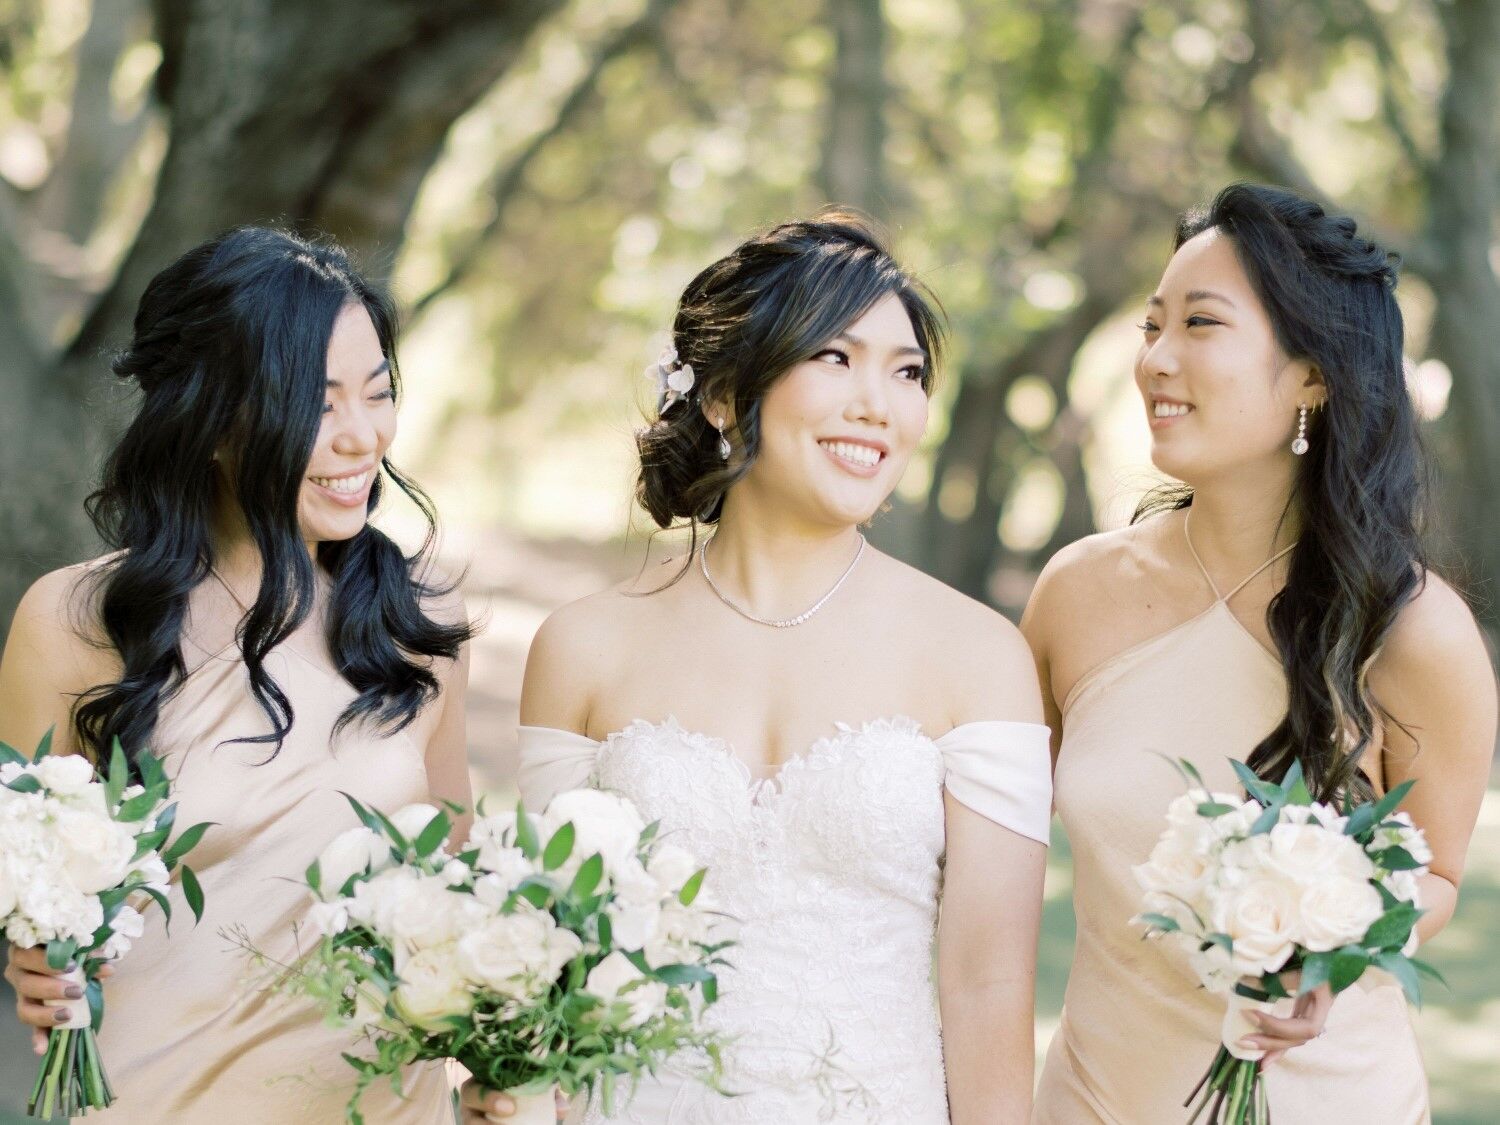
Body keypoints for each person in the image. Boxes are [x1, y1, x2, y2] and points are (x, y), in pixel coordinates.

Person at [514, 211, 1051, 1124]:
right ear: (724, 393)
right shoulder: (583, 648)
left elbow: (987, 983)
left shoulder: (976, 655)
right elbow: (540, 966)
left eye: (907, 372)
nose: (879, 403)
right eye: (836, 359)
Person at [1024, 183, 1496, 1123]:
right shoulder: (1076, 593)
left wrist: (1339, 949)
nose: (1157, 358)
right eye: (1152, 325)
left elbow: (1436, 875)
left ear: (1314, 371)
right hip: (1092, 1098)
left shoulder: (1413, 629)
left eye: (1201, 324)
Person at [1, 227, 478, 1123]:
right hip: (159, 1094)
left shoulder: (424, 626)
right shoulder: (79, 622)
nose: (359, 436)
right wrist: (31, 953)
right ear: (208, 415)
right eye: (317, 401)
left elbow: (458, 902)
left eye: (376, 395)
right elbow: (22, 876)